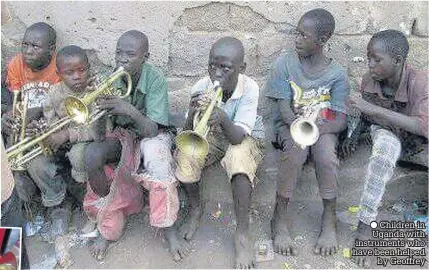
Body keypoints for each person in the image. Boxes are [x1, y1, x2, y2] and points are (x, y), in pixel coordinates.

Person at [83, 30, 189, 261]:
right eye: (118, 53)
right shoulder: (108, 78)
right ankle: (105, 219)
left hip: (150, 133)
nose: (122, 59)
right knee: (92, 155)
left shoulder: (155, 78)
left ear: (145, 57)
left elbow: (152, 130)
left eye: (130, 54)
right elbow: (99, 135)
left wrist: (127, 109)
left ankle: (168, 226)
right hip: (122, 136)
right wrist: (97, 110)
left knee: (157, 156)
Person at [264, 8, 350, 257]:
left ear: (322, 41)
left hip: (323, 129)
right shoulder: (285, 64)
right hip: (291, 124)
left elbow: (340, 120)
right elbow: (282, 108)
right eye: (297, 33)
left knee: (326, 157)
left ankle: (329, 217)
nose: (297, 39)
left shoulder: (337, 75)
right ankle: (279, 217)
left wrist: (318, 129)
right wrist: (299, 128)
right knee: (294, 152)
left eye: (304, 35)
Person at [340, 30, 428, 268]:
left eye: (376, 60)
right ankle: (364, 229)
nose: (370, 65)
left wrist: (374, 110)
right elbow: (368, 116)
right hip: (388, 132)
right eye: (368, 58)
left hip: (419, 140)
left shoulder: (419, 82)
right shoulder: (370, 81)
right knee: (383, 154)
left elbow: (423, 126)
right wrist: (353, 136)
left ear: (398, 61)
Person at [175, 36, 265, 268]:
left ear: (241, 68)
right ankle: (196, 209)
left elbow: (236, 137)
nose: (216, 73)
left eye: (225, 67)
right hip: (213, 136)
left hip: (242, 136)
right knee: (186, 155)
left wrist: (222, 116)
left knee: (239, 160)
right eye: (212, 65)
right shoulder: (201, 86)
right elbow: (188, 133)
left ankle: (242, 233)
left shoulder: (250, 88)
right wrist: (190, 113)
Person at [21, 45, 100, 268]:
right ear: (59, 74)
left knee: (78, 156)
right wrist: (46, 134)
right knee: (35, 161)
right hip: (60, 146)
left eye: (81, 70)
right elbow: (50, 122)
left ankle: (86, 201)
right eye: (69, 73)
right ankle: (57, 202)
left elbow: (98, 129)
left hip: (83, 145)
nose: (77, 77)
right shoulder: (54, 93)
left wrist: (67, 134)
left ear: (88, 69)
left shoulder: (95, 89)